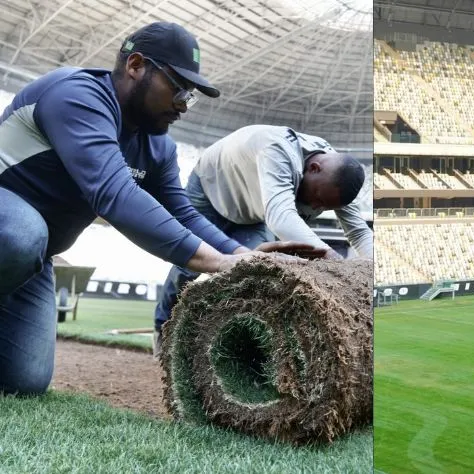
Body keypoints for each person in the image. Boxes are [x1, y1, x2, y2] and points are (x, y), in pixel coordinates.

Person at [0, 22, 321, 396]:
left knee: (26, 382)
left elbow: (183, 214)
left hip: (37, 257)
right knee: (22, 233)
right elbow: (114, 194)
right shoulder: (77, 94)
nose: (184, 105)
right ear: (136, 65)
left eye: (192, 95)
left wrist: (243, 255)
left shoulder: (159, 148)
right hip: (14, 235)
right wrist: (217, 263)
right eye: (179, 88)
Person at [153, 125, 373, 351]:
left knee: (248, 271)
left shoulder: (339, 178)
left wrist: (372, 270)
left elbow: (359, 231)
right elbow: (281, 218)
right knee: (189, 266)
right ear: (314, 168)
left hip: (253, 215)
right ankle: (162, 327)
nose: (316, 207)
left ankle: (225, 341)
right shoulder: (277, 148)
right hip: (210, 192)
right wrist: (333, 260)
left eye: (325, 207)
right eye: (318, 198)